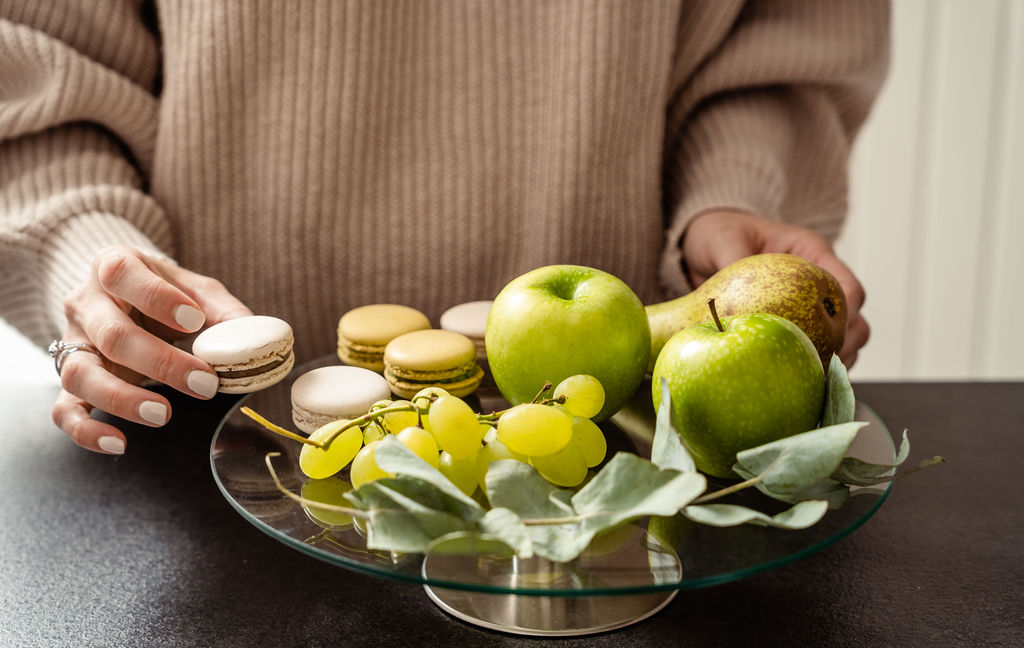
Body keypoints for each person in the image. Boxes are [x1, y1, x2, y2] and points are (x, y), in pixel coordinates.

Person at [0, 1, 887, 454]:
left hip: (621, 476)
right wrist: (86, 246)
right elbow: (34, 53)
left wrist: (733, 189)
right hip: (203, 449)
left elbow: (786, 29)